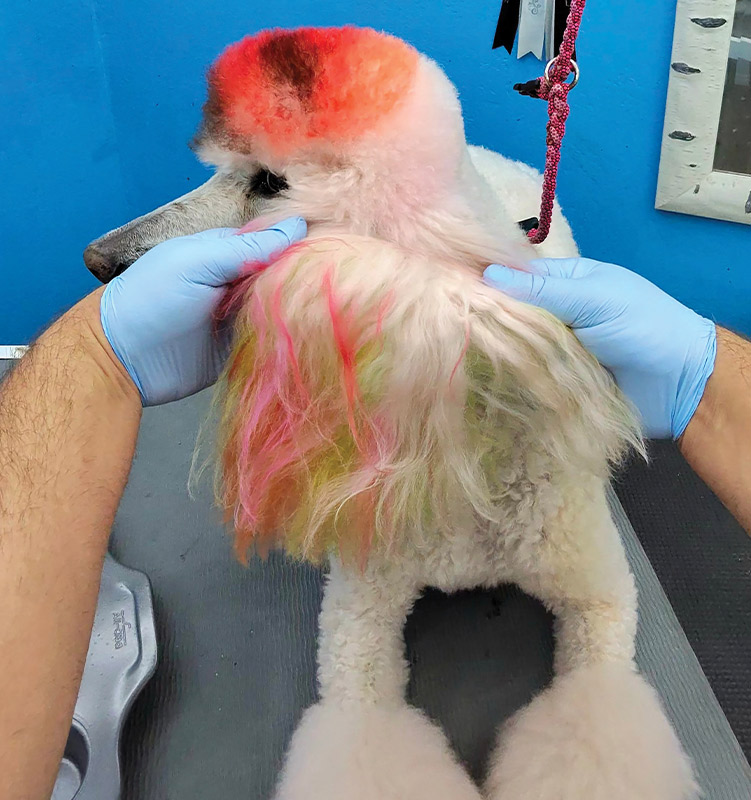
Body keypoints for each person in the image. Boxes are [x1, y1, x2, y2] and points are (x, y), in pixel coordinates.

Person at [0, 224, 748, 800]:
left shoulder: (558, 477)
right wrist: (99, 357)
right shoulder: (364, 500)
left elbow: (602, 604)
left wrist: (94, 359)